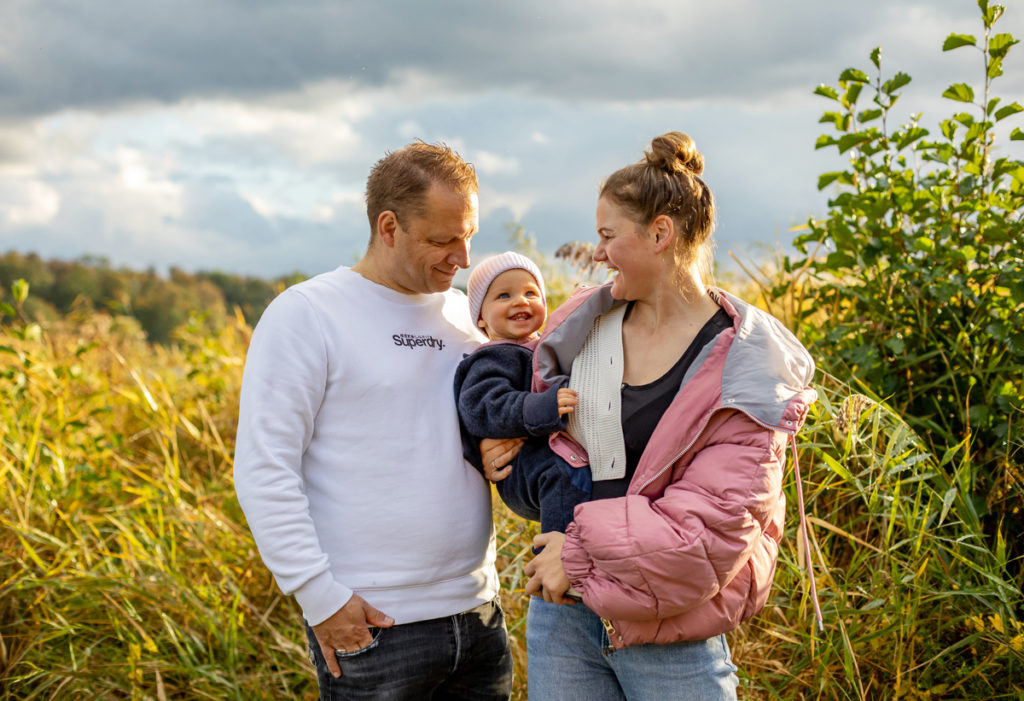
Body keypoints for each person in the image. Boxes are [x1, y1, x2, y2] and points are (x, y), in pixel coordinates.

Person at [491, 132, 818, 700]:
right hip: (563, 619)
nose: (596, 253)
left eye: (608, 236)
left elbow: (709, 533)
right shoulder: (581, 331)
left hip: (670, 633)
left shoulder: (745, 368)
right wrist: (504, 447)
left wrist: (579, 553)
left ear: (660, 234)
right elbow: (544, 475)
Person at [233, 141, 513, 700]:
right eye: (442, 239)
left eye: (469, 236)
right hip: (374, 623)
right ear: (388, 227)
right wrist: (321, 598)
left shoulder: (468, 316)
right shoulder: (308, 314)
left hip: (478, 612)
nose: (462, 257)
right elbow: (264, 468)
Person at [453, 251, 590, 537]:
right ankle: (553, 559)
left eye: (531, 292)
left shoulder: (548, 348)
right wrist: (540, 407)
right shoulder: (491, 358)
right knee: (561, 476)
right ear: (480, 319)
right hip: (522, 469)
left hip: (552, 452)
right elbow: (483, 408)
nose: (520, 301)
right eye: (504, 296)